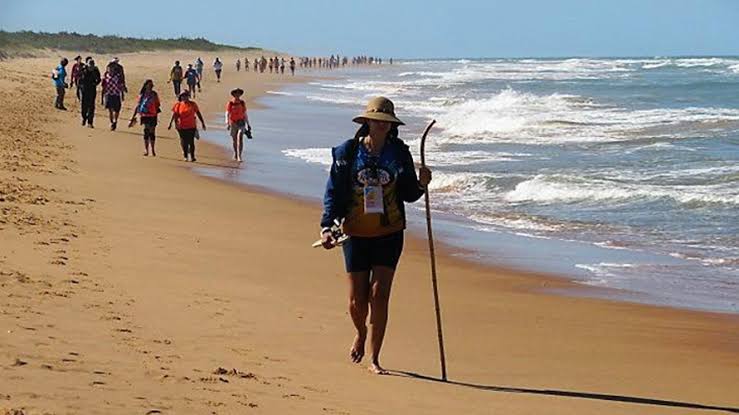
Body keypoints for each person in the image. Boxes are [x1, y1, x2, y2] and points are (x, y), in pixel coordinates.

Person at [319, 97, 432, 375]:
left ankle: (375, 358)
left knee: (379, 295)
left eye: (386, 122)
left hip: (389, 232)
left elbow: (408, 194)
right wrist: (326, 226)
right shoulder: (348, 153)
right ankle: (359, 332)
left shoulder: (398, 153)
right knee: (357, 301)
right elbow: (333, 192)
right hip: (355, 233)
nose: (381, 125)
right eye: (376, 120)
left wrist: (421, 183)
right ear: (367, 122)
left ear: (391, 126)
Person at [168, 90, 206, 162]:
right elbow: (175, 115)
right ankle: (185, 156)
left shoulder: (193, 104)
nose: (184, 97)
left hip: (191, 125)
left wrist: (202, 123)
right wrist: (171, 123)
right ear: (181, 97)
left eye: (186, 95)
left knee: (191, 142)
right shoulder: (178, 105)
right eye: (183, 96)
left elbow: (198, 113)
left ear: (188, 96)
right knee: (184, 142)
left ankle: (192, 156)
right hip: (181, 126)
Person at [128, 79, 161, 156]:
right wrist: (133, 116)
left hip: (153, 115)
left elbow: (158, 104)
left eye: (151, 85)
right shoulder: (142, 95)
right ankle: (146, 149)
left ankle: (152, 149)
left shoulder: (154, 94)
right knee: (146, 131)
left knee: (152, 132)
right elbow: (138, 106)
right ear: (145, 85)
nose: (150, 86)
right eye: (149, 85)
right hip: (145, 115)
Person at [225, 88, 252, 162]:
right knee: (234, 140)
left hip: (241, 123)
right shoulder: (230, 103)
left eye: (239, 94)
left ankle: (239, 156)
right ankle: (235, 153)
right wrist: (227, 123)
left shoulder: (242, 103)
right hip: (233, 123)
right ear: (233, 95)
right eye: (236, 94)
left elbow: (245, 114)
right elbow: (227, 113)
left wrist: (248, 124)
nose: (237, 95)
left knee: (240, 137)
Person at [103, 59, 126, 130]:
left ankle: (115, 121)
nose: (111, 69)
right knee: (110, 110)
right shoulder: (105, 77)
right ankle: (112, 122)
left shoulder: (118, 76)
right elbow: (104, 88)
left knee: (117, 110)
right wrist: (102, 97)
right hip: (109, 95)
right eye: (109, 68)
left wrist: (122, 94)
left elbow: (121, 85)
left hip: (116, 94)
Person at [78, 59, 101, 127]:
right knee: (83, 106)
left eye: (92, 64)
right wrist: (80, 87)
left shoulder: (95, 70)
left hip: (92, 90)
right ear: (87, 64)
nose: (91, 66)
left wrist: (95, 83)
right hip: (84, 90)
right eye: (90, 64)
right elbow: (79, 78)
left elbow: (99, 79)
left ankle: (90, 122)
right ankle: (84, 118)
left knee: (91, 106)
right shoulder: (83, 69)